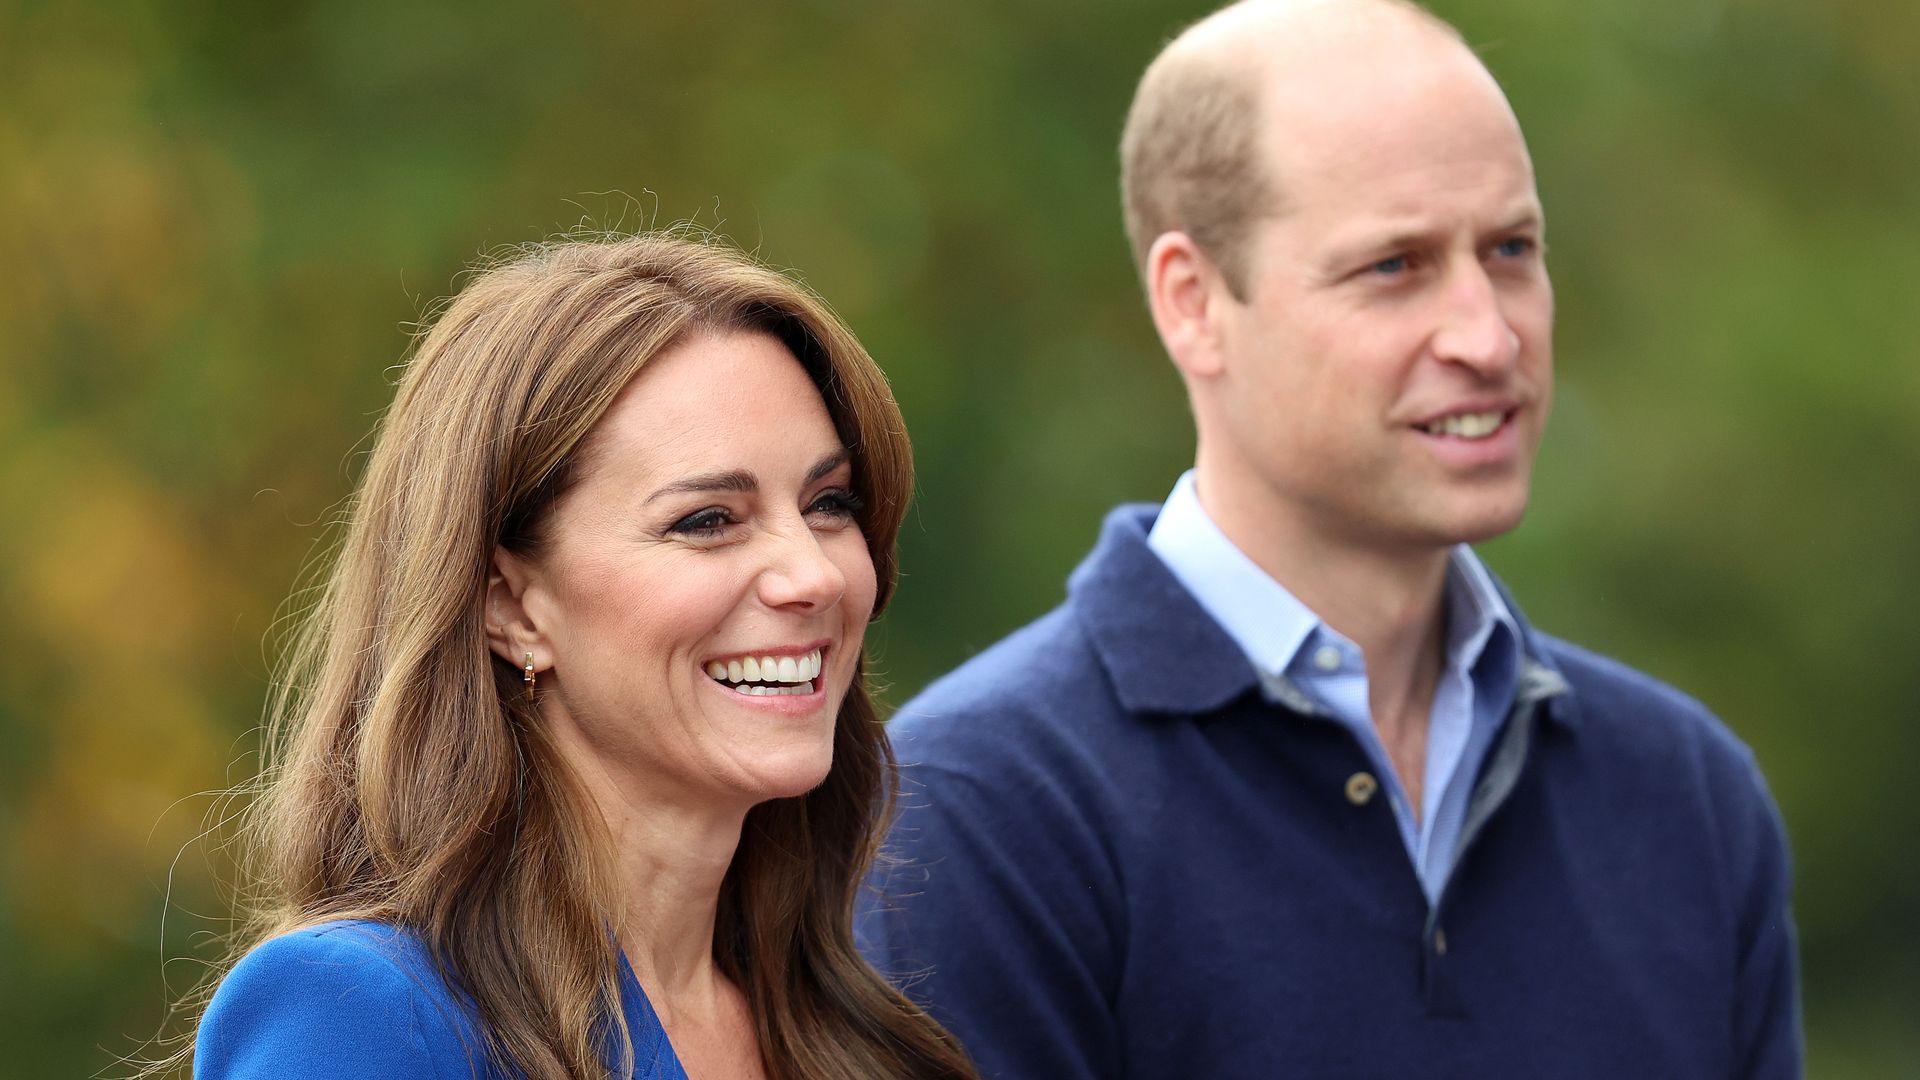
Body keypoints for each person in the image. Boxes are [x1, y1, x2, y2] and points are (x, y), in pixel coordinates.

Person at [856, 1, 1801, 1077]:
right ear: (1194, 303)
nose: (1488, 337)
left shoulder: (1687, 800)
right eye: (1394, 266)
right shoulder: (981, 814)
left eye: (1511, 249)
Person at [182, 234, 979, 1079]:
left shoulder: (874, 1041)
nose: (814, 574)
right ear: (511, 606)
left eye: (829, 503)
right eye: (708, 520)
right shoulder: (361, 1019)